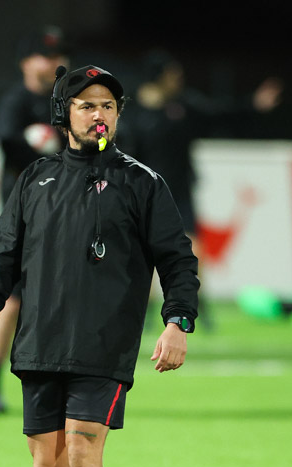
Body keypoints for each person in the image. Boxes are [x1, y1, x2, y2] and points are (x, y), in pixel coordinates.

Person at [0, 65, 199, 467]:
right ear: (63, 113)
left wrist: (177, 321)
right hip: (41, 341)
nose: (99, 114)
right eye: (87, 105)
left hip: (103, 345)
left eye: (108, 105)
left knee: (83, 452)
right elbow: (3, 255)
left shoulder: (143, 182)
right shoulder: (35, 178)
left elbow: (178, 262)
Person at [119, 50, 282, 329]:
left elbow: (220, 113)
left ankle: (196, 307)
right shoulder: (132, 114)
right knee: (141, 253)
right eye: (173, 74)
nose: (179, 79)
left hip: (179, 194)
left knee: (191, 252)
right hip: (143, 194)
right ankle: (143, 313)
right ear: (158, 77)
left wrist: (253, 105)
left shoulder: (184, 107)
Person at [0, 27, 70, 412]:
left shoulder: (68, 100)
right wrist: (32, 140)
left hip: (66, 213)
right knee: (12, 300)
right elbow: (4, 139)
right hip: (24, 217)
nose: (51, 63)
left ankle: (61, 385)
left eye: (55, 57)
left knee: (62, 300)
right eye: (43, 56)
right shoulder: (16, 101)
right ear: (25, 62)